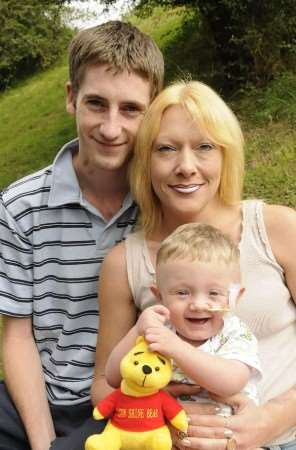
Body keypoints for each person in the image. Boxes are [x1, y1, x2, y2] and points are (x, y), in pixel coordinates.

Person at [92, 80, 296, 450]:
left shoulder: (277, 228)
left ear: (225, 154)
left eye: (204, 147)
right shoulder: (124, 262)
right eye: (166, 149)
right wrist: (161, 420)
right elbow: (103, 386)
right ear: (145, 162)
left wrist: (273, 419)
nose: (186, 167)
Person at [0, 20, 164, 450]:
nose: (111, 129)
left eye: (131, 109)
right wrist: (44, 442)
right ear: (72, 98)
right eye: (96, 104)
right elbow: (16, 334)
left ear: (153, 110)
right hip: (42, 398)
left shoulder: (165, 202)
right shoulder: (20, 206)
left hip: (133, 396)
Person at [104, 223, 262, 418]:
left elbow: (230, 383)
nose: (197, 304)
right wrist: (138, 330)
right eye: (182, 292)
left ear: (235, 297)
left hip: (226, 435)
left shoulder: (235, 334)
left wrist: (175, 348)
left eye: (214, 293)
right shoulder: (160, 330)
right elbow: (113, 377)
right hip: (162, 432)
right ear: (159, 296)